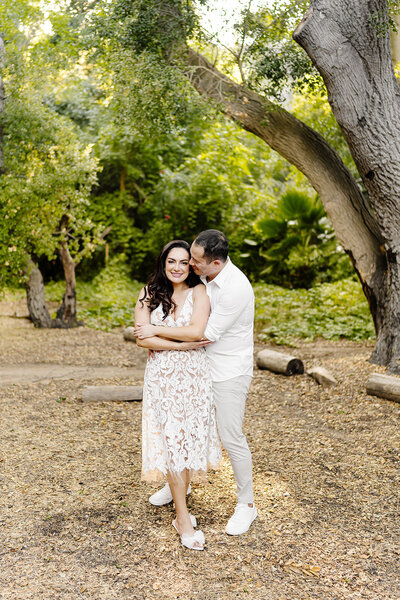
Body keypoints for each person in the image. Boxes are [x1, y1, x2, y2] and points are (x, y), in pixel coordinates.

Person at [135, 230, 256, 536]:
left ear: (214, 262)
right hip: (195, 369)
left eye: (195, 261)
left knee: (230, 436)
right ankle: (177, 486)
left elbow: (201, 334)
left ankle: (247, 505)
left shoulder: (236, 289)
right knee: (180, 431)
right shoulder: (200, 281)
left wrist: (153, 331)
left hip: (227, 370)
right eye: (186, 258)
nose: (189, 265)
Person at [134, 240, 222, 551]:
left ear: (191, 266)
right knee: (172, 442)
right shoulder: (148, 293)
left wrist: (157, 331)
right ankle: (182, 516)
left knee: (186, 439)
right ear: (163, 262)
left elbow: (197, 331)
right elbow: (142, 341)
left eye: (183, 262)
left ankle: (178, 497)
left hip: (194, 379)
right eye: (171, 261)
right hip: (162, 380)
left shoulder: (200, 292)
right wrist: (180, 345)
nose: (177, 267)